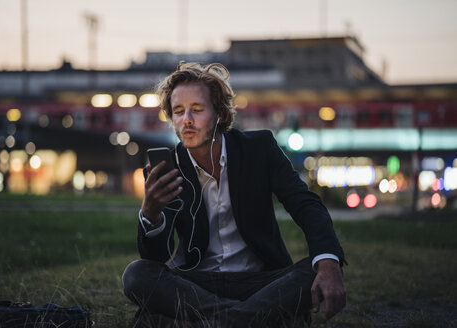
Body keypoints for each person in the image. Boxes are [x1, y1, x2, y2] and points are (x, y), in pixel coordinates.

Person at [122, 62, 346, 328]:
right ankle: (250, 319)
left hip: (262, 281)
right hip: (197, 284)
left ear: (218, 113)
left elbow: (306, 205)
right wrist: (151, 213)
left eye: (197, 109)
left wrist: (329, 262)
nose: (187, 120)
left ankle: (216, 321)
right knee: (137, 274)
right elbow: (156, 258)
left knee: (317, 267)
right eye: (178, 111)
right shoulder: (168, 167)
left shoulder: (260, 149)